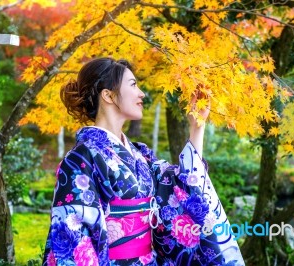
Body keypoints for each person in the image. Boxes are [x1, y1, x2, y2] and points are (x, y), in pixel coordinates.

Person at [42, 57, 245, 266]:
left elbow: (181, 185)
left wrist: (197, 126)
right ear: (109, 95)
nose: (142, 93)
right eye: (133, 85)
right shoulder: (80, 158)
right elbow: (73, 234)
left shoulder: (141, 155)